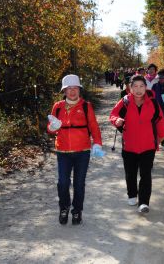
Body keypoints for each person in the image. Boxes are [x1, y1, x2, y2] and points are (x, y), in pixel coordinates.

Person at [47, 74, 103, 225]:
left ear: (79, 89)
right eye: (69, 89)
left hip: (82, 152)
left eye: (75, 88)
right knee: (63, 183)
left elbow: (94, 126)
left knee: (79, 183)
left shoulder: (86, 106)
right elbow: (51, 127)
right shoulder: (57, 107)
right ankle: (64, 207)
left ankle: (77, 210)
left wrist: (97, 143)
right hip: (63, 151)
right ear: (64, 91)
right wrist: (52, 127)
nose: (72, 92)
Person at [109, 75, 164, 213]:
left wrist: (160, 137)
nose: (139, 89)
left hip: (148, 145)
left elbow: (160, 119)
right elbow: (113, 115)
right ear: (130, 88)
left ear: (146, 87)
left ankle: (144, 202)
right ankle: (132, 194)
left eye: (141, 86)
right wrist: (116, 120)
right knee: (131, 172)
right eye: (135, 86)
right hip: (129, 145)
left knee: (146, 174)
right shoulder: (125, 102)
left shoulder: (152, 102)